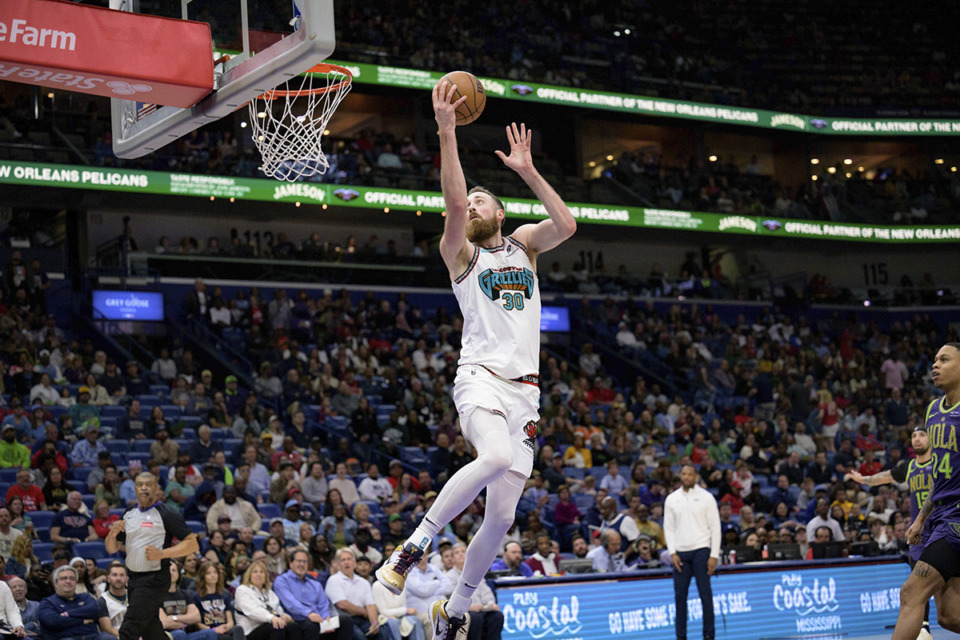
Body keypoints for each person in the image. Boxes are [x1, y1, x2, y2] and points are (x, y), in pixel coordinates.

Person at [376, 81, 577, 640]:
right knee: (493, 456)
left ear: (504, 211)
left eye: (488, 199)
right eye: (475, 201)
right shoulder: (459, 253)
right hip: (481, 380)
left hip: (526, 394)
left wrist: (530, 172)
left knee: (503, 517)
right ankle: (414, 545)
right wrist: (446, 131)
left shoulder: (524, 246)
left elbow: (568, 226)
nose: (477, 204)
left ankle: (455, 609)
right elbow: (456, 201)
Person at [893, 343, 960, 640]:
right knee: (949, 616)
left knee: (911, 593)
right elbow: (938, 475)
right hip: (938, 516)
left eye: (944, 360)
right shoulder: (933, 410)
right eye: (934, 360)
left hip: (957, 519)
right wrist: (921, 519)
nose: (935, 365)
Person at [846, 423, 934, 638]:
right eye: (914, 436)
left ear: (931, 439)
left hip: (942, 528)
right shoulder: (908, 466)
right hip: (919, 533)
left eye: (922, 435)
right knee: (916, 585)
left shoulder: (941, 463)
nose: (917, 439)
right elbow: (884, 477)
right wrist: (863, 480)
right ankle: (924, 627)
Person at [105, 472, 200, 640]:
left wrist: (162, 553)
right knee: (150, 630)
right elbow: (112, 549)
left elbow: (192, 543)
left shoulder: (166, 514)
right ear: (135, 489)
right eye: (140, 485)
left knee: (129, 628)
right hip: (133, 579)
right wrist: (112, 534)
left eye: (148, 485)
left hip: (155, 578)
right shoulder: (128, 513)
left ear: (156, 489)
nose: (144, 488)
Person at [664, 465, 720, 640]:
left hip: (702, 550)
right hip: (680, 552)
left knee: (706, 595)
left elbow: (715, 528)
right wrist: (672, 552)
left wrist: (714, 555)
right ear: (680, 476)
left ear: (695, 476)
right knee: (680, 597)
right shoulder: (671, 499)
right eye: (684, 474)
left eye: (690, 474)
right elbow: (669, 528)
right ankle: (681, 636)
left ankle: (709, 635)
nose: (686, 477)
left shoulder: (707, 497)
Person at [274, 548, 353, 640]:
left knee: (345, 620)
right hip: (297, 619)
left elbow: (323, 604)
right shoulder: (282, 581)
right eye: (299, 561)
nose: (302, 564)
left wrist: (326, 617)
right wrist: (309, 613)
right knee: (311, 625)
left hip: (318, 618)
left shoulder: (315, 584)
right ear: (291, 563)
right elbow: (291, 603)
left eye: (305, 562)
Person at [324, 549, 390, 640]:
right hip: (344, 621)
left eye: (349, 559)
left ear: (354, 563)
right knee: (360, 637)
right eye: (343, 560)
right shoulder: (334, 580)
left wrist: (374, 623)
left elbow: (371, 605)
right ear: (338, 565)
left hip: (362, 619)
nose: (347, 562)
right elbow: (343, 605)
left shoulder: (363, 582)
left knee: (382, 633)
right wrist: (363, 612)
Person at [234, 560, 300, 640]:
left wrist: (285, 617)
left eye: (262, 572)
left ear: (266, 576)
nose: (258, 574)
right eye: (255, 572)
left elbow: (277, 610)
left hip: (270, 624)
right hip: (251, 630)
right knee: (277, 627)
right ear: (249, 575)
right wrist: (272, 618)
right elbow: (252, 611)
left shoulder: (270, 593)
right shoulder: (242, 590)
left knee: (294, 627)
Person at [37, 565, 100, 640]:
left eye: (72, 578)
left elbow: (95, 609)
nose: (68, 581)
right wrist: (83, 620)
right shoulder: (47, 602)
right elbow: (54, 621)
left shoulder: (86, 597)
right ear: (55, 583)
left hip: (92, 637)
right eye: (64, 578)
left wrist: (67, 614)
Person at [194, 561, 245, 640]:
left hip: (224, 628)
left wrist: (226, 627)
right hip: (209, 631)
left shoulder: (224, 596)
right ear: (202, 576)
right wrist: (214, 630)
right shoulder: (197, 597)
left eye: (215, 572)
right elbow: (198, 624)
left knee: (238, 629)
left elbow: (230, 621)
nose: (212, 575)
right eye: (208, 573)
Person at [97, 561, 129, 640]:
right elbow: (108, 629)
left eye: (122, 575)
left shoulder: (135, 595)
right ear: (108, 579)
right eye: (115, 575)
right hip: (116, 636)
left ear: (126, 579)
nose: (118, 578)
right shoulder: (102, 600)